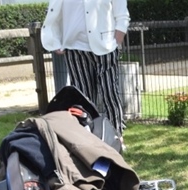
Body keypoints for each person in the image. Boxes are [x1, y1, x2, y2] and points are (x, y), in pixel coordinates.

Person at [42, 0, 129, 135]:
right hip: (74, 48)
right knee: (82, 99)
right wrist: (55, 41)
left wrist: (116, 41)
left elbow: (122, 15)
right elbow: (54, 12)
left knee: (110, 93)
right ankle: (87, 137)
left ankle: (116, 135)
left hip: (105, 47)